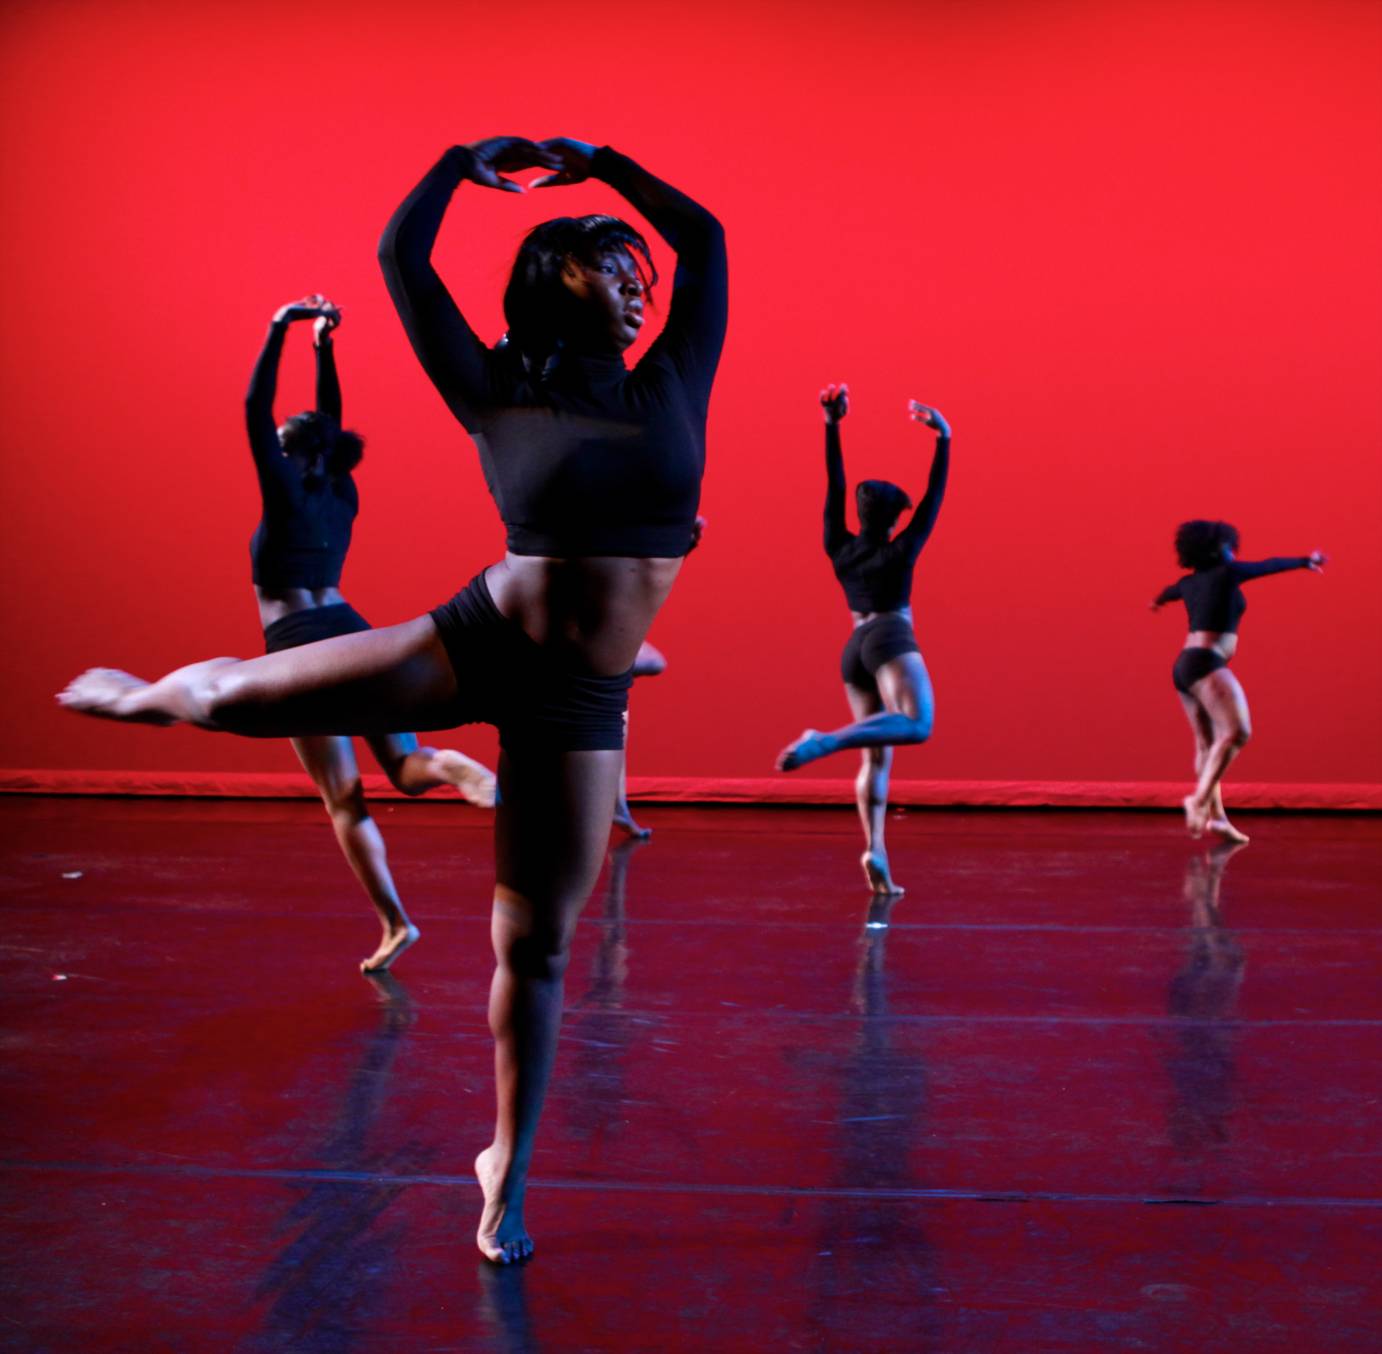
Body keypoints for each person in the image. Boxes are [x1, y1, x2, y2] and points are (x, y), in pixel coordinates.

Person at [59, 134, 727, 1265]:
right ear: (552, 280)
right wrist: (459, 164)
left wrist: (604, 163)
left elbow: (701, 236)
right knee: (232, 699)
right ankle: (149, 700)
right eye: (607, 268)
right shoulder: (491, 387)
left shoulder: (673, 374)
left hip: (578, 699)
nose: (630, 282)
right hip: (476, 638)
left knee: (539, 948)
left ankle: (503, 1169)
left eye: (635, 274)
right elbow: (399, 256)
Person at [244, 295, 496, 974]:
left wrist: (278, 329)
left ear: (288, 452)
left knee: (343, 797)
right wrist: (325, 345)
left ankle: (394, 923)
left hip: (300, 645)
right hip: (354, 629)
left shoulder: (285, 490)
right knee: (405, 770)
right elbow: (329, 419)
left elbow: (252, 407)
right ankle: (445, 766)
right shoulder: (342, 492)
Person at [776, 384, 951, 896]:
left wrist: (832, 426)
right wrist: (943, 438)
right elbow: (935, 498)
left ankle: (875, 847)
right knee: (917, 724)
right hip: (890, 634)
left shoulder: (839, 545)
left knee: (878, 753)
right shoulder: (902, 549)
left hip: (853, 646)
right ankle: (822, 740)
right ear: (896, 519)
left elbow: (834, 485)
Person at [1151, 520, 1325, 841]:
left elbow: (1168, 593)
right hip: (1205, 662)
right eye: (1230, 547)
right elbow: (1266, 566)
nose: (1233, 552)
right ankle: (1199, 801)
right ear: (1219, 549)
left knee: (1206, 744)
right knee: (1236, 732)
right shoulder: (1227, 573)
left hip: (1185, 666)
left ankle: (1217, 819)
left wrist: (1158, 601)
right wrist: (1304, 561)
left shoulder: (1189, 583)